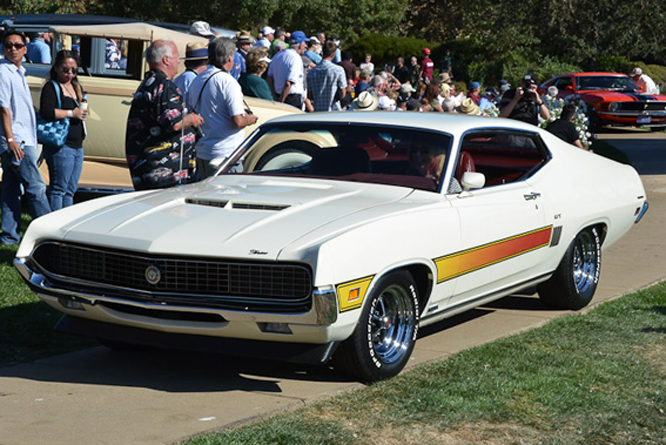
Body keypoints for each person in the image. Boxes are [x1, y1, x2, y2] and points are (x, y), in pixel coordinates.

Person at [125, 39, 203, 190]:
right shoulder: (164, 85)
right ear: (166, 60)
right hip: (161, 171)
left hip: (149, 166)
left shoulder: (149, 82)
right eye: (176, 58)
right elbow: (174, 123)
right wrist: (192, 119)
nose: (179, 63)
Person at [0, 30, 51, 244]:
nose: (13, 49)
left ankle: (10, 235)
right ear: (3, 48)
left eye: (18, 45)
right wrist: (10, 140)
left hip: (23, 137)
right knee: (36, 186)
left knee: (11, 187)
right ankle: (51, 232)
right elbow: (3, 108)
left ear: (25, 48)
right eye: (9, 45)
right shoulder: (3, 72)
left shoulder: (18, 71)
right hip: (16, 140)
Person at [187, 37, 258, 179]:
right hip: (225, 154)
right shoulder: (228, 82)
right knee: (227, 197)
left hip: (203, 151)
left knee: (205, 197)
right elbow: (238, 120)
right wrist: (250, 119)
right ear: (230, 57)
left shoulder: (198, 79)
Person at [39, 50, 88, 210]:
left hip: (77, 145)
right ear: (56, 68)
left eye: (74, 70)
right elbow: (46, 112)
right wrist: (71, 113)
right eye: (65, 69)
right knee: (58, 189)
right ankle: (54, 226)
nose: (70, 73)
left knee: (70, 191)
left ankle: (65, 226)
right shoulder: (52, 86)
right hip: (61, 145)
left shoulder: (76, 86)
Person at [267, 31, 308, 109]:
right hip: (291, 98)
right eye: (304, 43)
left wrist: (274, 96)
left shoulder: (277, 55)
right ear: (301, 44)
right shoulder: (295, 58)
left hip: (278, 94)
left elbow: (269, 78)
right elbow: (289, 83)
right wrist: (281, 102)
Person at [307, 41, 347, 112]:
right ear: (333, 54)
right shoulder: (338, 70)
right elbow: (343, 93)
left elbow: (310, 95)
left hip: (318, 111)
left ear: (322, 52)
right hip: (333, 111)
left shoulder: (311, 72)